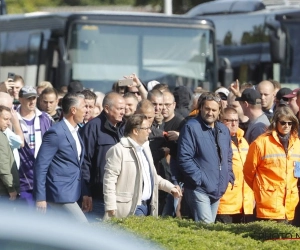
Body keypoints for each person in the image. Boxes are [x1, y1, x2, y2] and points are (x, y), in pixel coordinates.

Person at [103, 114, 181, 219]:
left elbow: (151, 176)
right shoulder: (118, 150)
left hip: (148, 205)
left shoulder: (145, 148)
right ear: (135, 131)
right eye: (147, 128)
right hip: (131, 207)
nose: (150, 131)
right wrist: (110, 205)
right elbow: (109, 180)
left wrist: (170, 188)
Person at [177, 92, 234, 223]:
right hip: (199, 189)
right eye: (207, 108)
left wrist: (228, 175)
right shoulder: (191, 127)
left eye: (214, 110)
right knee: (206, 228)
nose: (210, 113)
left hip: (217, 189)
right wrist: (200, 179)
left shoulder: (223, 130)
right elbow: (184, 158)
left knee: (209, 231)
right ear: (201, 108)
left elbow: (228, 156)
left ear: (219, 111)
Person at [34, 93, 88, 222]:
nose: (87, 110)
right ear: (73, 110)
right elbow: (41, 165)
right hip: (59, 192)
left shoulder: (76, 131)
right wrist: (40, 197)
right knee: (83, 226)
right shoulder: (56, 132)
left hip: (73, 191)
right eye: (84, 106)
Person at [243, 106, 300, 222]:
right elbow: (248, 172)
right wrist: (260, 189)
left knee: (288, 239)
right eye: (283, 122)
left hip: (290, 205)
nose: (287, 126)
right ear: (275, 122)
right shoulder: (261, 143)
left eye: (290, 123)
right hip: (268, 203)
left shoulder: (297, 144)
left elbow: (297, 172)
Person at [80, 92, 126, 221]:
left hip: (120, 197)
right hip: (98, 197)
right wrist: (86, 193)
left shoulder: (124, 128)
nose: (123, 112)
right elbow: (84, 162)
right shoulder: (92, 128)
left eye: (124, 108)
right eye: (119, 109)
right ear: (106, 108)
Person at [16, 86, 53, 207]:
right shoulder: (12, 117)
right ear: (20, 99)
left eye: (34, 98)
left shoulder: (45, 118)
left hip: (41, 180)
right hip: (21, 179)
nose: (32, 101)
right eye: (28, 98)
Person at [216, 107, 254, 224]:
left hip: (244, 204)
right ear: (221, 122)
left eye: (236, 120)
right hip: (226, 204)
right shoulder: (217, 141)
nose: (234, 123)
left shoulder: (243, 141)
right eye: (229, 120)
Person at [0, 105, 20, 201]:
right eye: (5, 119)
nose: (8, 123)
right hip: (4, 190)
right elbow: (3, 165)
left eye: (9, 120)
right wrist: (11, 188)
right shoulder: (0, 138)